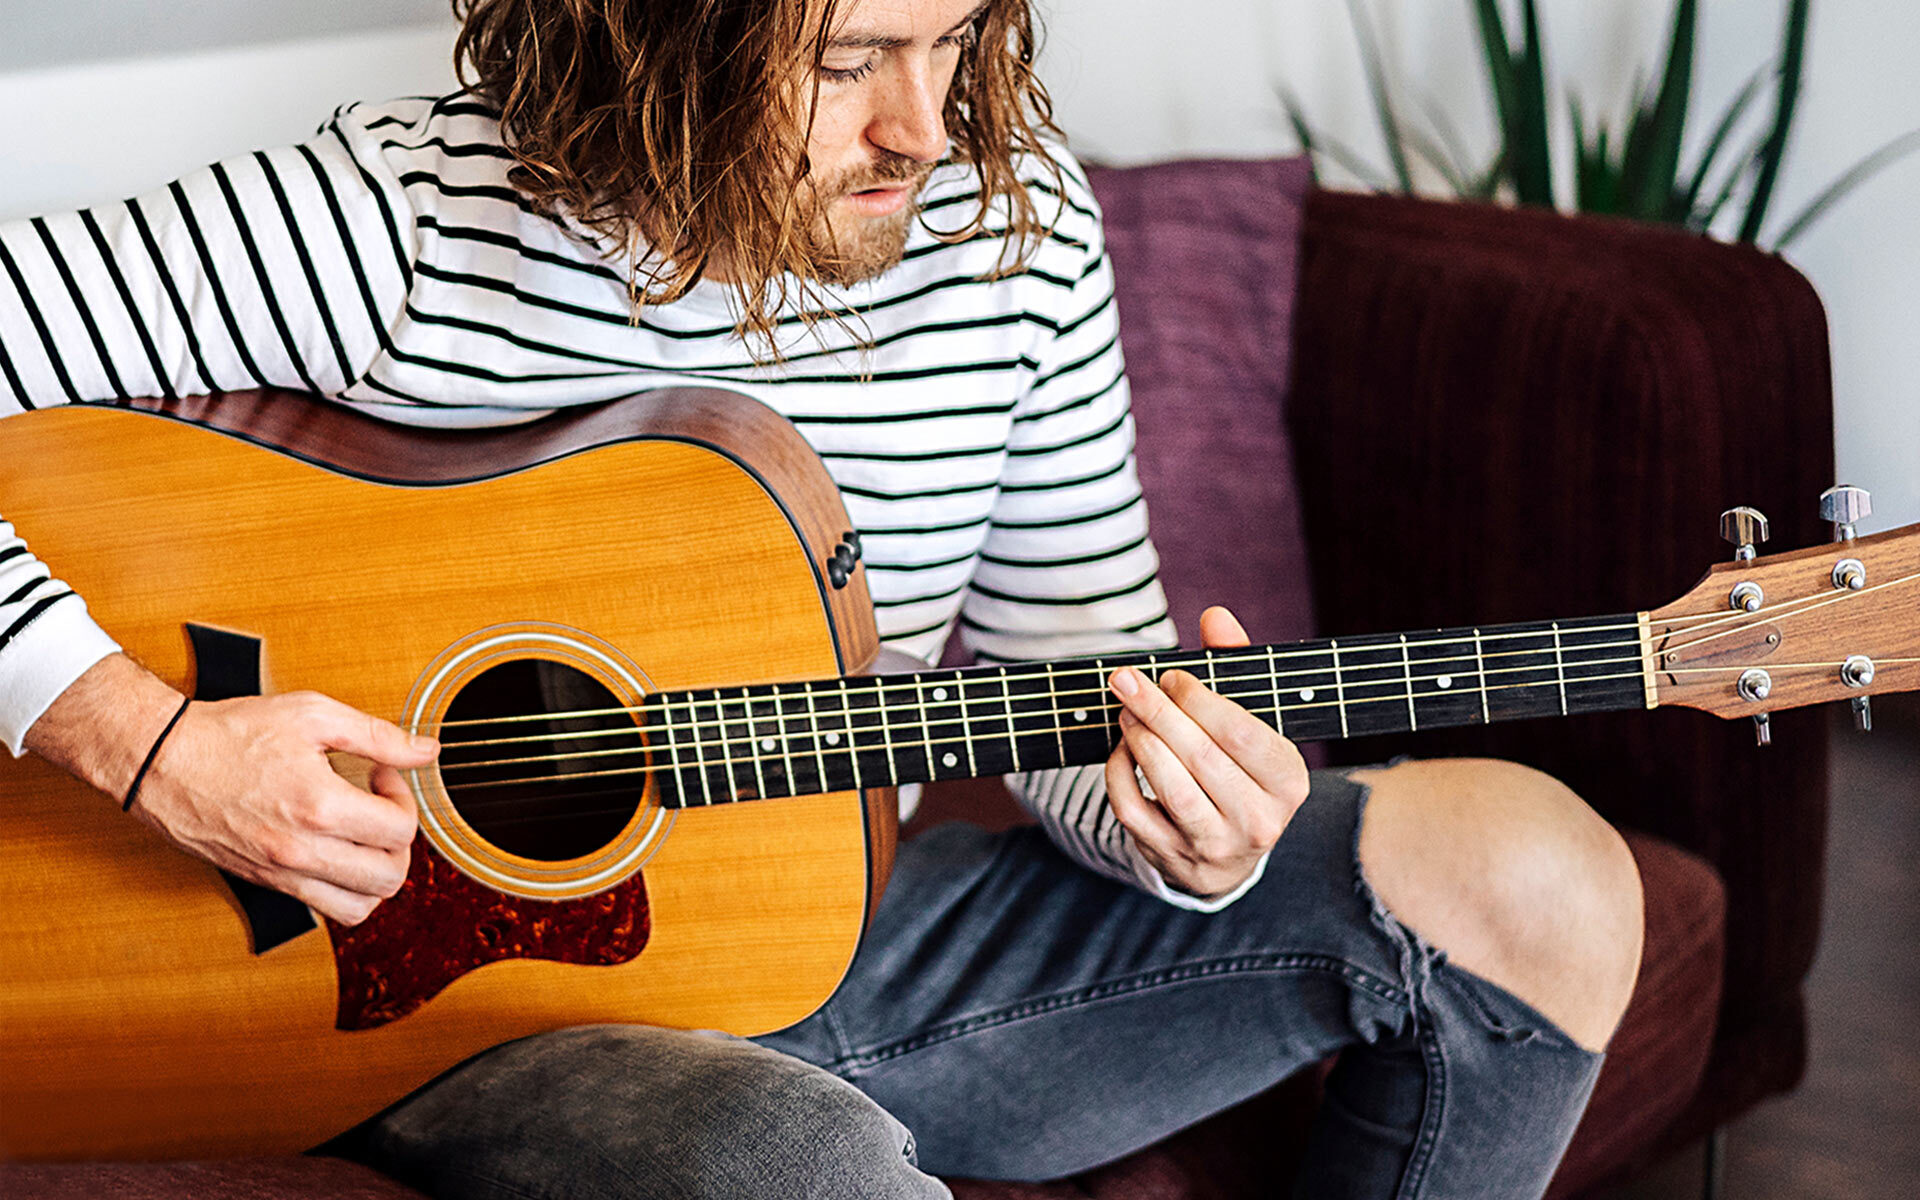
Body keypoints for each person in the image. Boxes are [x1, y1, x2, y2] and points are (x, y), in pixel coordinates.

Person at [0, 0, 1645, 1195]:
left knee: (1544, 877)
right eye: (849, 60)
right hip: (453, 1005)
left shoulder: (1020, 233)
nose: (923, 130)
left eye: (959, 41)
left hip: (848, 941)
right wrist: (151, 744)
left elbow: (1078, 684)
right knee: (793, 1169)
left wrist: (1178, 824)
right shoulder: (401, 217)